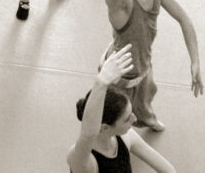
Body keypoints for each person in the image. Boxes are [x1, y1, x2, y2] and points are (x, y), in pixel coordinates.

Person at [104, 0, 202, 131]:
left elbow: (184, 19)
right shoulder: (120, 3)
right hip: (123, 72)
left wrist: (194, 61)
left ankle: (146, 117)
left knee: (148, 92)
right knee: (118, 116)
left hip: (143, 62)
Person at [67, 45, 176, 173]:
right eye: (126, 119)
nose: (134, 119)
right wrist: (100, 83)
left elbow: (168, 170)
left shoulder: (126, 137)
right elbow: (88, 134)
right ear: (104, 127)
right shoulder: (84, 161)